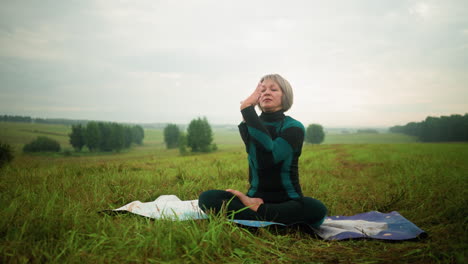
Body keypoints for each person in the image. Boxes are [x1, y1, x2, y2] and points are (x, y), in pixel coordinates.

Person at [198, 74, 327, 228]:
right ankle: (272, 219)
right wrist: (249, 115)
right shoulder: (249, 124)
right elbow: (258, 157)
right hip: (252, 198)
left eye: (273, 89)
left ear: (285, 96)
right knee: (208, 198)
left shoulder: (294, 127)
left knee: (316, 209)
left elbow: (268, 158)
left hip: (287, 201)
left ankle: (257, 215)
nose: (266, 92)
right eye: (262, 90)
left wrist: (247, 109)